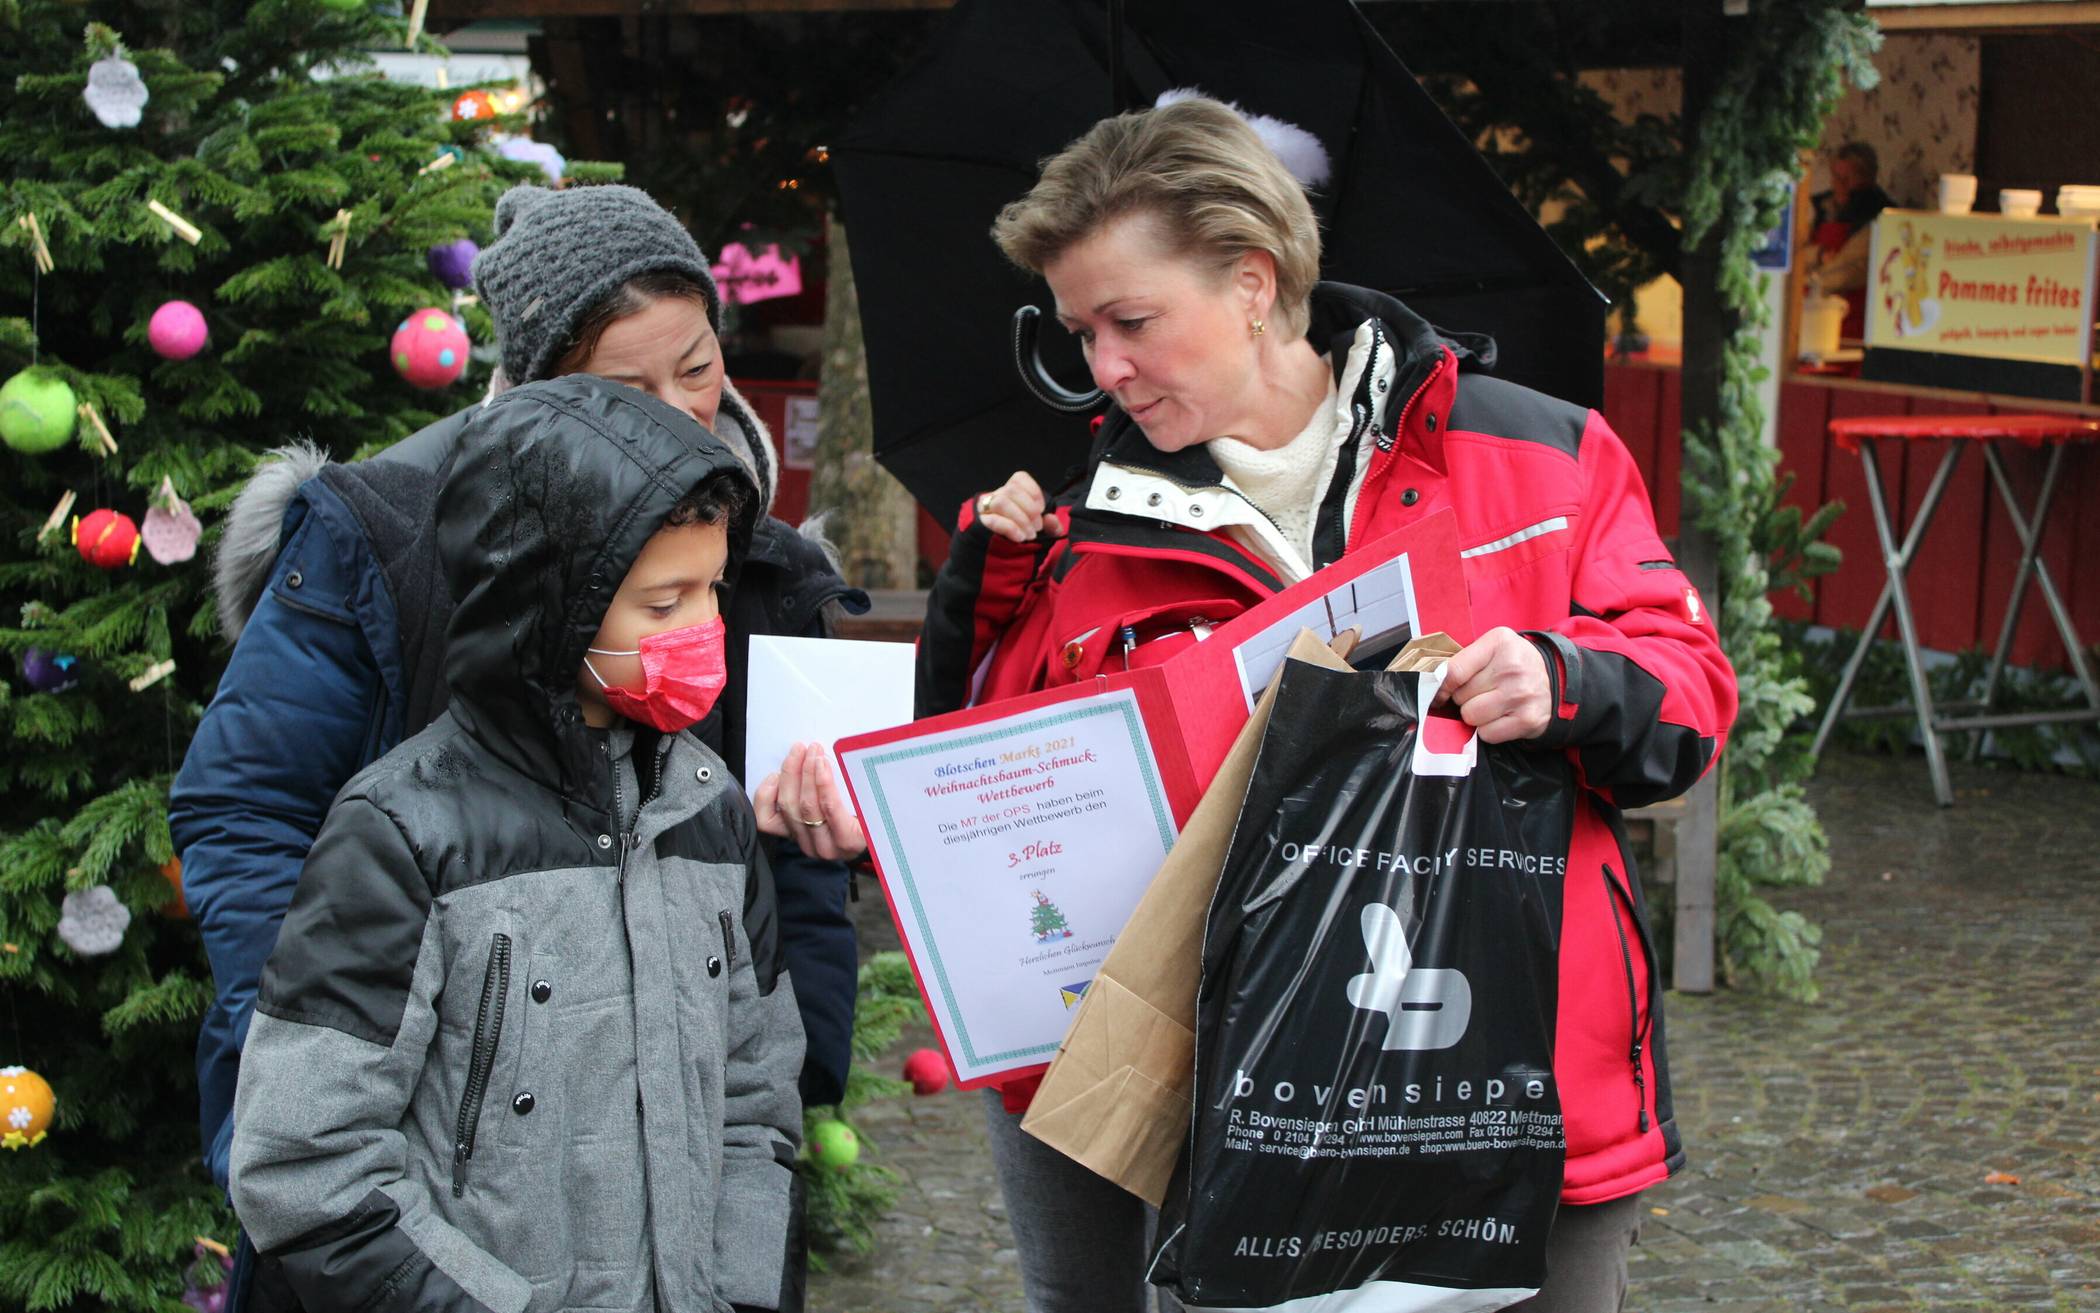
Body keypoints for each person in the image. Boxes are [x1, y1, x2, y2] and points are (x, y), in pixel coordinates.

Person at [918, 96, 1737, 1313]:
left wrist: (1561, 680)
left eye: (1131, 321)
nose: (1103, 369)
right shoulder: (1079, 544)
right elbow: (1001, 816)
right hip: (1249, 1124)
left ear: (1254, 282)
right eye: (1083, 331)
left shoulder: (1539, 456)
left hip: (1520, 1091)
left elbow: (1691, 704)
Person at [171, 183, 864, 1312]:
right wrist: (347, 1040)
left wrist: (793, 1048)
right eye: (623, 387)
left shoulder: (755, 550)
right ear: (538, 387)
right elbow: (244, 806)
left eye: (695, 368)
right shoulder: (380, 531)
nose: (678, 413)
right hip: (441, 1160)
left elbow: (762, 974)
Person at [228, 374, 802, 1313]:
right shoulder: (403, 833)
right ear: (550, 604)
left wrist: (741, 1293)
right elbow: (307, 1163)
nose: (705, 630)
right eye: (663, 605)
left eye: (712, 590)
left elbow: (757, 1102)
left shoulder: (711, 811)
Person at [1802, 141, 1892, 337]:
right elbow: (1799, 253)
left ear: (1868, 179)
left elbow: (1847, 270)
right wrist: (1818, 254)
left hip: (1851, 318)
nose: (1839, 185)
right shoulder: (1819, 207)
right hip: (1813, 316)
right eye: (1836, 176)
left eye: (1848, 178)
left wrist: (1808, 283)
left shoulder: (1880, 217)